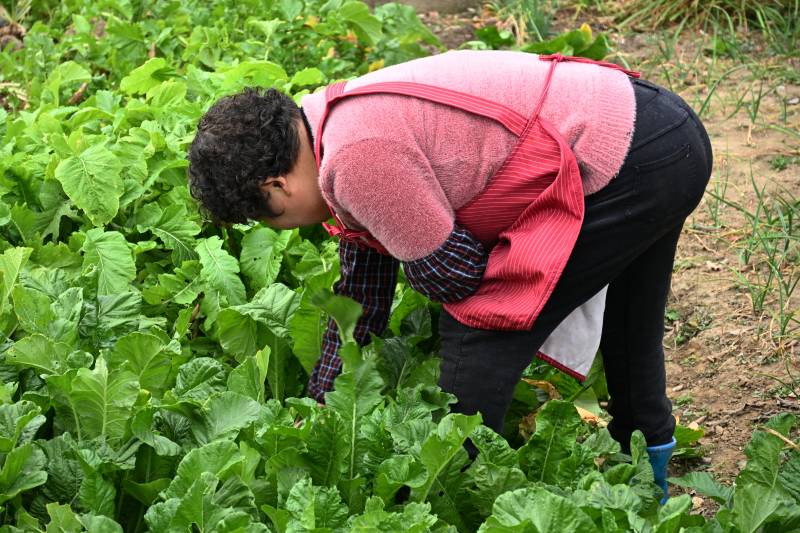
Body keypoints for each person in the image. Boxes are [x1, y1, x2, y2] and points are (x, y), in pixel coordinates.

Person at [187, 50, 713, 504]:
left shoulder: (355, 158)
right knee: (630, 320)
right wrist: (320, 406)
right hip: (657, 133)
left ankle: (449, 495)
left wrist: (427, 248)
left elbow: (455, 275)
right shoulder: (329, 122)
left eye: (269, 216)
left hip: (629, 153)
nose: (283, 226)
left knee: (481, 325)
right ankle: (649, 483)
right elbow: (361, 294)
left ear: (277, 185)